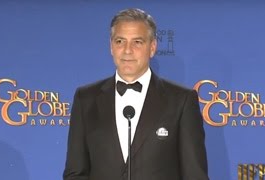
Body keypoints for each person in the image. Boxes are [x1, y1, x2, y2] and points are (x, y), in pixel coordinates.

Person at [63, 8, 209, 180]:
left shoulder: (181, 100)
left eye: (137, 42)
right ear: (111, 46)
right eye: (120, 41)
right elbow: (75, 173)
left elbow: (195, 175)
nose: (127, 50)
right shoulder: (85, 98)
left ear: (152, 47)